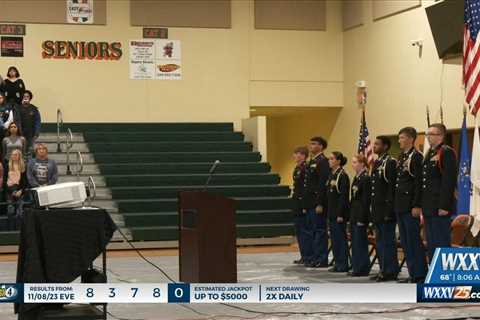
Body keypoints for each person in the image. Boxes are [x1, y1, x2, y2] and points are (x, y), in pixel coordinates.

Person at [395, 127, 427, 283]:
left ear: (410, 138)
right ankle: (412, 272)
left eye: (402, 137)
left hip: (410, 206)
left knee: (414, 240)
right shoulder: (402, 157)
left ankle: (420, 274)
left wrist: (417, 205)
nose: (399, 140)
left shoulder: (416, 157)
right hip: (400, 205)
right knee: (406, 242)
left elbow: (419, 183)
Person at [422, 123, 457, 261]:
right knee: (432, 243)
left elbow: (448, 181)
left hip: (439, 206)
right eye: (427, 134)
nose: (428, 137)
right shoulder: (430, 153)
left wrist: (444, 205)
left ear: (441, 136)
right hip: (429, 206)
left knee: (441, 242)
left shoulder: (446, 152)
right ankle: (433, 273)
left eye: (431, 134)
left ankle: (443, 276)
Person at [370, 135, 400, 282]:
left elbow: (391, 188)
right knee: (380, 241)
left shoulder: (390, 162)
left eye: (377, 144)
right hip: (377, 209)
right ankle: (383, 269)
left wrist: (389, 210)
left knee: (388, 241)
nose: (374, 146)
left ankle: (390, 271)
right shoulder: (377, 162)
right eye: (374, 144)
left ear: (386, 146)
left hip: (386, 209)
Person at [304, 136, 330, 268]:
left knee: (319, 231)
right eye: (311, 143)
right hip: (310, 202)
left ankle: (322, 258)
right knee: (312, 231)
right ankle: (315, 257)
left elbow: (322, 184)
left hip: (317, 202)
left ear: (321, 146)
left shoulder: (323, 161)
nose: (311, 146)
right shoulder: (311, 161)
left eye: (314, 144)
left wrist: (320, 203)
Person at [326, 151, 350, 273]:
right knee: (334, 240)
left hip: (339, 214)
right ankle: (338, 262)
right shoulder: (332, 174)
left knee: (340, 240)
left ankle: (343, 264)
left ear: (338, 161)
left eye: (331, 159)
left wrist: (341, 214)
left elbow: (343, 197)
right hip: (331, 212)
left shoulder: (342, 175)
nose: (329, 161)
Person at [348, 154, 371, 277]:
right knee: (355, 243)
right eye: (352, 162)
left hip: (360, 216)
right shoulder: (356, 178)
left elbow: (365, 201)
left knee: (360, 243)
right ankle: (356, 266)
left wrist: (362, 218)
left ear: (362, 164)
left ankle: (362, 268)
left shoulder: (366, 178)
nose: (353, 164)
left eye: (355, 162)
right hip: (354, 214)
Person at [291, 146, 313, 265]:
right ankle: (304, 255)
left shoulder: (305, 168)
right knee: (299, 230)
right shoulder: (298, 168)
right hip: (297, 202)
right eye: (295, 153)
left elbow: (305, 188)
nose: (295, 156)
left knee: (305, 231)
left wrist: (304, 205)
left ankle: (308, 255)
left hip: (302, 202)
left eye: (297, 153)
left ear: (302, 155)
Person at [5, 149, 27, 231]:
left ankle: (19, 231)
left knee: (20, 213)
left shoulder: (23, 167)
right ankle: (10, 231)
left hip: (19, 190)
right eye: (12, 154)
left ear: (19, 156)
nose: (14, 156)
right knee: (10, 211)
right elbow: (4, 181)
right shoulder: (7, 166)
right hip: (10, 191)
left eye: (16, 154)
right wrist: (12, 192)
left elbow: (25, 182)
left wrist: (21, 191)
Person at [16, 90, 41, 157]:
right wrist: (19, 132)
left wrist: (36, 133)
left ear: (30, 98)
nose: (26, 98)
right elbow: (17, 121)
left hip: (31, 135)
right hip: (20, 135)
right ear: (22, 97)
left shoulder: (34, 109)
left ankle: (30, 166)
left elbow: (37, 121)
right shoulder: (18, 108)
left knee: (30, 152)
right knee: (21, 153)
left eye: (27, 96)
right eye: (24, 96)